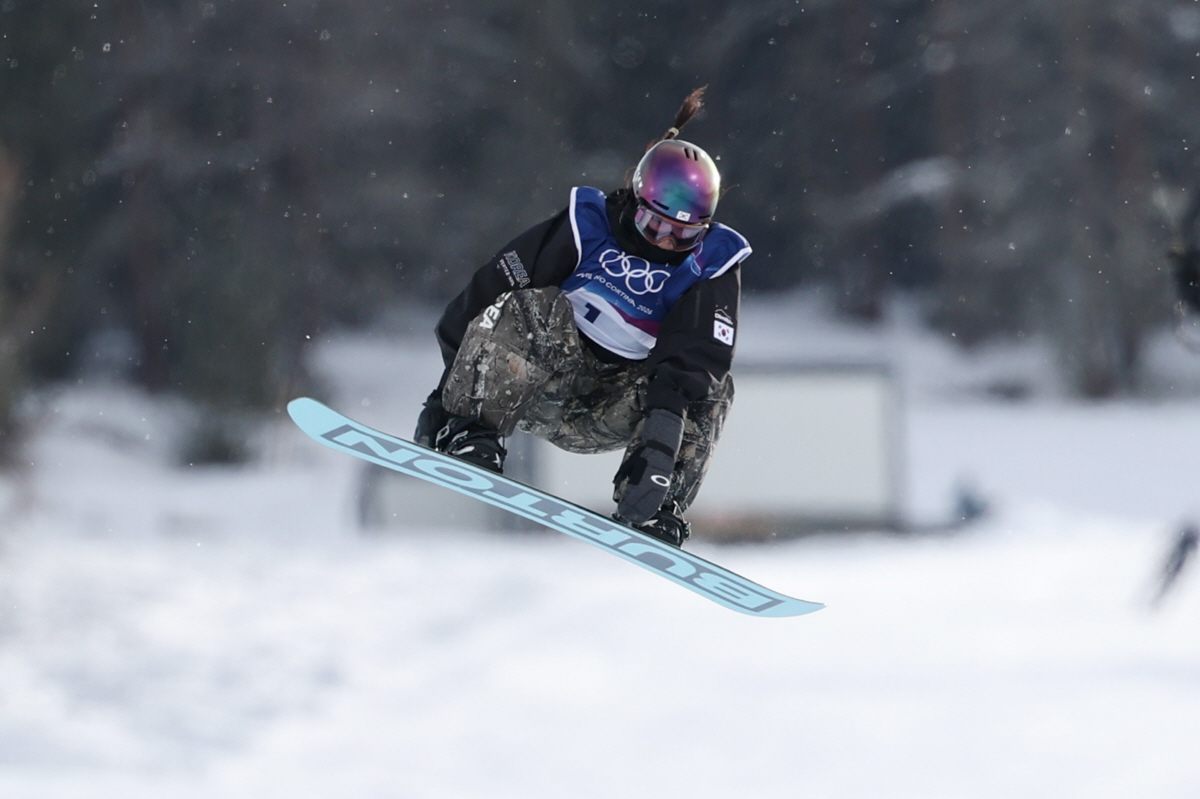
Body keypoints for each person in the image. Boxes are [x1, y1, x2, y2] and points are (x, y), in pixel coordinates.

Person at [413, 88, 750, 548]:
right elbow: (485, 294)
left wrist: (657, 454)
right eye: (656, 226)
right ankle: (473, 432)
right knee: (533, 305)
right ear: (636, 202)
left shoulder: (709, 266)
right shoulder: (588, 226)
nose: (666, 243)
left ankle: (657, 504)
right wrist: (447, 396)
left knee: (713, 389)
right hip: (536, 386)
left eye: (683, 234)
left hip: (616, 408)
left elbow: (693, 364)